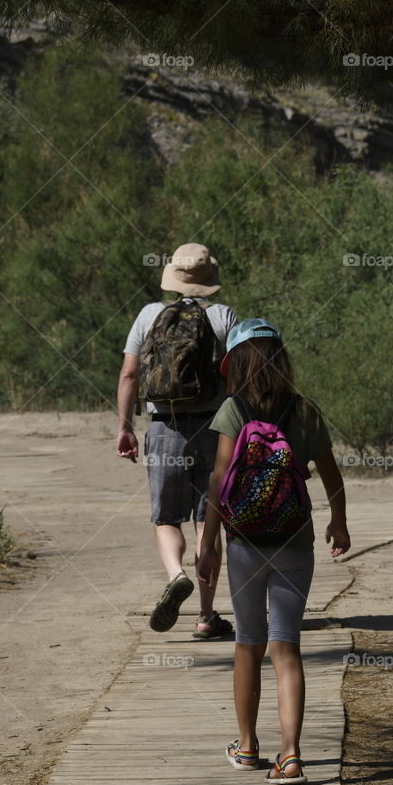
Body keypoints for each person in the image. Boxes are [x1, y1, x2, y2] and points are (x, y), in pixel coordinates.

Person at [196, 318, 350, 784]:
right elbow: (331, 475)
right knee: (286, 647)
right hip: (294, 541)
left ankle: (247, 748)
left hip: (245, 542)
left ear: (236, 365)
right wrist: (338, 522)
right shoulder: (305, 411)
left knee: (248, 643)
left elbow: (221, 479)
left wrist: (208, 542)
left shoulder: (232, 410)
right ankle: (292, 755)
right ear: (282, 360)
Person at [117, 243, 237, 638]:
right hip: (214, 429)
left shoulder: (150, 315)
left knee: (167, 517)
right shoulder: (222, 317)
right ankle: (206, 616)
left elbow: (130, 375)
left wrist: (126, 426)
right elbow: (238, 377)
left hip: (165, 427)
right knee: (208, 522)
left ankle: (176, 574)